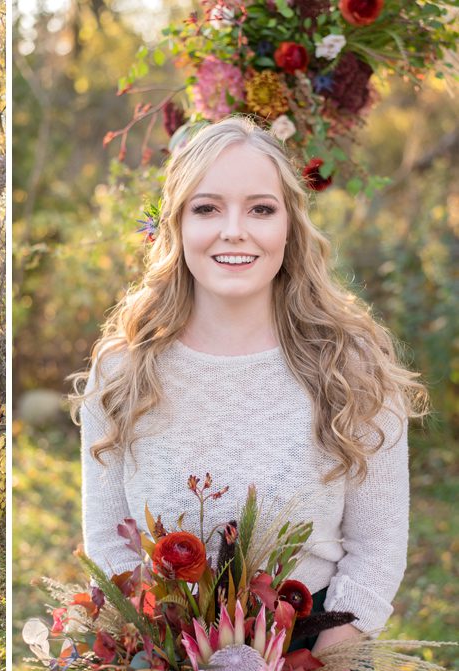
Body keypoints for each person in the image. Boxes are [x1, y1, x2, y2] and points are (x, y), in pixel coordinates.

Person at [70, 116, 427, 655]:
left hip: (314, 651)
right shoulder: (123, 372)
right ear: (177, 225)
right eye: (207, 208)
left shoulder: (352, 368)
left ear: (289, 226)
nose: (233, 229)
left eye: (260, 208)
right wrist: (162, 653)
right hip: (164, 649)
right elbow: (108, 541)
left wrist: (317, 659)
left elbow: (375, 549)